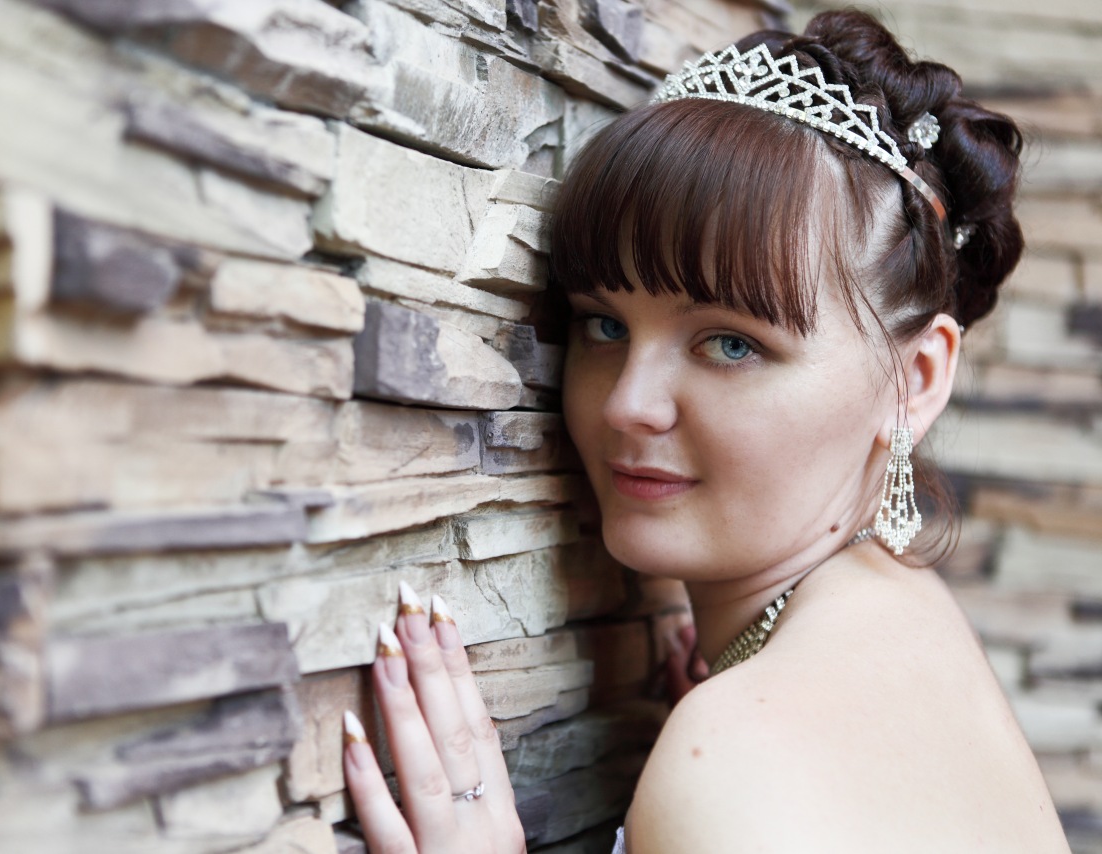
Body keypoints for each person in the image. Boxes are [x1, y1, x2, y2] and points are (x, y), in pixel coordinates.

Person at [339, 9, 1073, 852]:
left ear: (916, 380)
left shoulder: (734, 758)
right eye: (603, 325)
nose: (628, 404)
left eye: (731, 344)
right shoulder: (900, 622)